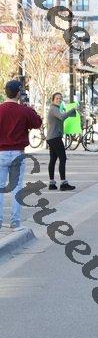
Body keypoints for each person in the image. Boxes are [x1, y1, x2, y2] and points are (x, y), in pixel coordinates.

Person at [0, 80, 43, 229]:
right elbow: (37, 123)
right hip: (18, 153)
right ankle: (15, 222)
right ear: (19, 93)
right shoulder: (24, 110)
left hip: (1, 153)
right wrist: (30, 108)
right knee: (17, 188)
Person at [46, 92, 77, 191]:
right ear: (53, 100)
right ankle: (63, 183)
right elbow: (62, 117)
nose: (59, 100)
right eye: (57, 98)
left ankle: (52, 184)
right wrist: (72, 110)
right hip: (55, 138)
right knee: (62, 158)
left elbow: (62, 118)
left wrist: (72, 113)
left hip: (51, 137)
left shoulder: (55, 108)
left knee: (53, 159)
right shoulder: (54, 108)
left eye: (60, 98)